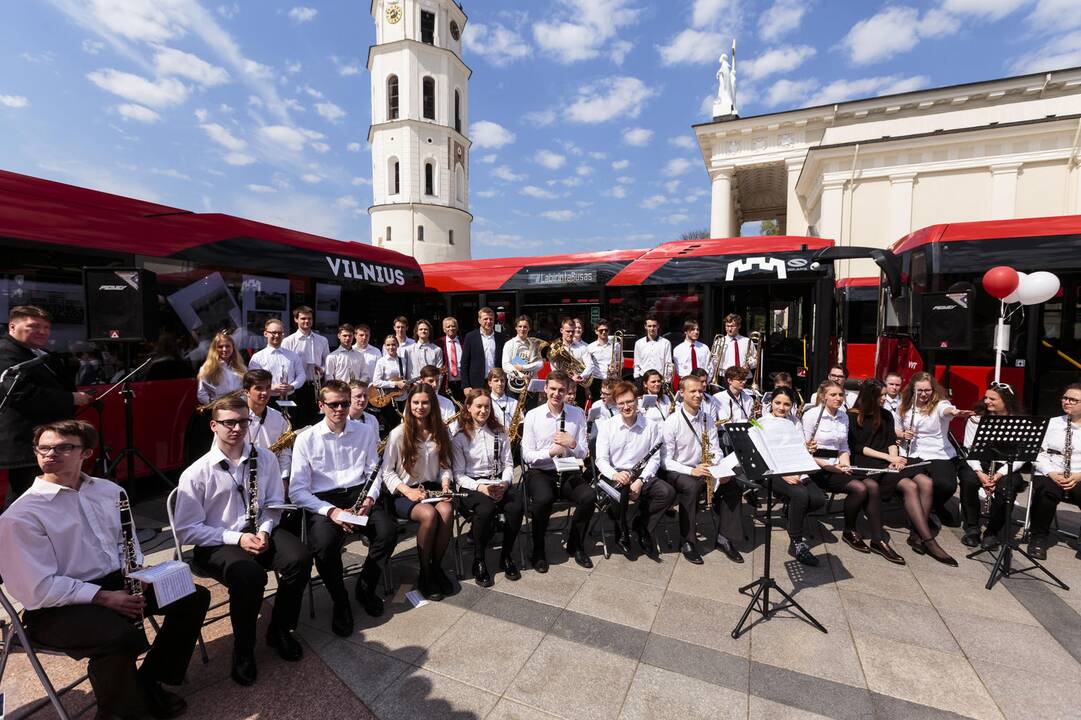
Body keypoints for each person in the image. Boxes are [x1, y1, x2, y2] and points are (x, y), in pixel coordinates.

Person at [0, 419, 210, 719]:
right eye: (43, 448)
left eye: (63, 447)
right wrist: (103, 597)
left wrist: (137, 573)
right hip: (56, 606)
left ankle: (147, 682)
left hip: (116, 583)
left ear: (86, 453)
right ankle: (120, 711)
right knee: (119, 637)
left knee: (192, 597)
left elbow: (128, 542)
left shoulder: (109, 491)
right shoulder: (21, 515)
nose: (50, 454)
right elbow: (38, 589)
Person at [174, 395, 312, 687]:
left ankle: (280, 630)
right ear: (214, 425)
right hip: (217, 542)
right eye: (229, 423)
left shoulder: (266, 458)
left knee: (299, 558)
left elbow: (274, 503)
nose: (237, 428)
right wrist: (237, 538)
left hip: (258, 531)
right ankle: (244, 649)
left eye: (242, 421)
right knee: (248, 576)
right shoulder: (196, 473)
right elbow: (187, 530)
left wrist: (263, 530)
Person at [290, 380, 395, 634]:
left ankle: (365, 587)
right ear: (321, 405)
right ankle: (340, 601)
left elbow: (373, 471)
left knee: (388, 532)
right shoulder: (306, 439)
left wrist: (369, 499)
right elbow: (297, 490)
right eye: (334, 404)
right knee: (324, 546)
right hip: (324, 501)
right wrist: (332, 512)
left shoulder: (365, 431)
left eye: (345, 403)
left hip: (359, 493)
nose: (340, 409)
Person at [1, 305, 93, 507]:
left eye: (46, 327)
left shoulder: (39, 353)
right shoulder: (6, 353)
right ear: (12, 327)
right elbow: (21, 394)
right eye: (34, 326)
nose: (42, 331)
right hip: (27, 440)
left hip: (47, 438)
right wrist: (71, 399)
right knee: (27, 497)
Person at [802, 380, 895, 561]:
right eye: (833, 395)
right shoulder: (812, 415)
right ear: (823, 397)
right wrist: (832, 467)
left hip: (838, 464)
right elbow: (805, 450)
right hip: (818, 467)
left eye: (841, 395)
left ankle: (878, 539)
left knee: (872, 486)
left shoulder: (843, 416)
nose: (838, 398)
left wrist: (845, 464)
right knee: (859, 488)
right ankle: (850, 530)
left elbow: (844, 446)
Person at [383, 383, 456, 600]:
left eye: (425, 402)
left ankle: (436, 567)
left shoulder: (441, 431)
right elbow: (387, 473)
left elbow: (445, 465)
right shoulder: (398, 433)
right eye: (416, 402)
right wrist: (408, 492)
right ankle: (424, 572)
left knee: (446, 510)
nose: (420, 407)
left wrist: (445, 485)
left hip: (432, 488)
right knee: (429, 514)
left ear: (432, 405)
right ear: (409, 404)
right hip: (405, 493)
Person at [663, 374, 744, 564]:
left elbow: (715, 449)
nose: (698, 395)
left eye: (701, 390)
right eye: (693, 391)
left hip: (706, 468)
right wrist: (692, 471)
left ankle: (725, 538)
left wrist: (718, 469)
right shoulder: (672, 422)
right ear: (681, 393)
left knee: (734, 486)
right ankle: (687, 541)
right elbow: (665, 461)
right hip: (680, 470)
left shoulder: (708, 418)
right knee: (691, 488)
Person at [521, 371, 593, 571]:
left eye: (561, 390)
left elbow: (584, 452)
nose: (556, 394)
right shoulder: (533, 416)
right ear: (545, 389)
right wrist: (550, 452)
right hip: (541, 471)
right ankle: (538, 549)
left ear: (567, 391)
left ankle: (575, 544)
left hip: (569, 469)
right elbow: (527, 455)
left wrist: (572, 443)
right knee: (543, 500)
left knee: (589, 496)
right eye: (552, 389)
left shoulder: (577, 414)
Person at [596, 381, 675, 561]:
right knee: (620, 492)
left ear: (637, 401)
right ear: (616, 404)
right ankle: (622, 531)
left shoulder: (651, 426)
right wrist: (615, 474)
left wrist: (641, 481)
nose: (626, 407)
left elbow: (654, 459)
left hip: (641, 474)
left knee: (667, 492)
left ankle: (643, 526)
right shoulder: (607, 426)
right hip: (614, 474)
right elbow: (601, 459)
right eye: (621, 403)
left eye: (630, 401)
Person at [451, 389, 524, 585]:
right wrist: (480, 487)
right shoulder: (460, 437)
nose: (483, 411)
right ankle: (479, 560)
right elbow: (458, 475)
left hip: (497, 481)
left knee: (516, 507)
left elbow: (509, 464)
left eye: (487, 407)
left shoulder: (500, 432)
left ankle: (506, 555)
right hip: (472, 485)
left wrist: (505, 483)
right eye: (479, 406)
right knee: (486, 509)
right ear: (468, 407)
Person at [757, 388, 826, 566]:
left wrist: (808, 448)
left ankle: (793, 512)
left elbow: (799, 447)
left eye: (787, 404)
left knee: (819, 499)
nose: (781, 407)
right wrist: (785, 475)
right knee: (800, 495)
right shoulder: (761, 422)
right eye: (778, 403)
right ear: (771, 402)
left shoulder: (795, 421)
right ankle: (796, 541)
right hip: (773, 471)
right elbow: (762, 454)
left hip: (796, 467)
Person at [897, 371, 973, 528]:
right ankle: (920, 513)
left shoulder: (939, 404)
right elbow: (896, 428)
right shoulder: (904, 406)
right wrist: (903, 434)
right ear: (913, 390)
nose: (924, 394)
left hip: (938, 452)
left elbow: (947, 410)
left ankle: (933, 507)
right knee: (912, 484)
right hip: (911, 452)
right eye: (920, 391)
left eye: (928, 390)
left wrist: (955, 412)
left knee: (947, 485)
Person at [846, 381, 909, 564]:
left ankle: (922, 535)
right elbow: (857, 447)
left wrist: (895, 460)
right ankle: (877, 538)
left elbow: (891, 441)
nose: (884, 398)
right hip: (862, 461)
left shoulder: (887, 415)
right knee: (871, 486)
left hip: (885, 461)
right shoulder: (852, 416)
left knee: (911, 484)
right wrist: (889, 459)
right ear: (869, 397)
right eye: (880, 395)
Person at [958, 384, 1025, 548]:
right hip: (979, 462)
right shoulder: (976, 419)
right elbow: (969, 449)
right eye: (986, 397)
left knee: (1010, 486)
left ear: (1006, 401)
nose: (987, 401)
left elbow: (1021, 456)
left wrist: (999, 475)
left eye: (992, 398)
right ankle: (972, 528)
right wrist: (980, 473)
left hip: (1005, 465)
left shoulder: (1020, 422)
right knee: (969, 480)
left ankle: (992, 532)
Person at [1027, 383, 1081, 560]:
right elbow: (1037, 453)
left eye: (1073, 400)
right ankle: (1038, 538)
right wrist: (1050, 472)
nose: (1067, 402)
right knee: (1046, 492)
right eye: (1065, 398)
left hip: (1078, 474)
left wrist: (1078, 476)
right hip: (1051, 472)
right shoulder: (1051, 423)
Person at [242, 369, 293, 493]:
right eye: (258, 388)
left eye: (268, 387)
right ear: (247, 392)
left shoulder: (279, 418)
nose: (265, 392)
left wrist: (284, 478)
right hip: (241, 478)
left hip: (271, 480)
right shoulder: (233, 417)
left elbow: (285, 454)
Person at [281, 305, 330, 426]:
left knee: (316, 420)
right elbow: (284, 364)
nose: (307, 321)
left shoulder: (322, 340)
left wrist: (322, 369)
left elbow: (327, 361)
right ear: (296, 319)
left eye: (309, 318)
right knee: (297, 421)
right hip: (297, 389)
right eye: (303, 318)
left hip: (316, 387)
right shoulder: (288, 341)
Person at [247, 318, 305, 416]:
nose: (277, 336)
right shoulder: (257, 357)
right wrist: (271, 388)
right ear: (266, 334)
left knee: (291, 428)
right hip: (268, 400)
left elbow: (301, 374)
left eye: (280, 333)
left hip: (290, 399)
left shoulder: (293, 355)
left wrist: (292, 386)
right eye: (273, 333)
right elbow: (253, 381)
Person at [549, 316, 596, 406]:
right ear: (561, 330)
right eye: (568, 331)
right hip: (562, 386)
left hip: (579, 387)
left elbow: (590, 365)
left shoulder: (582, 347)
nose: (570, 334)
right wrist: (569, 378)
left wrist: (580, 376)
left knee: (579, 412)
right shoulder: (554, 348)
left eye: (572, 331)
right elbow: (554, 369)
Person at [460, 307, 507, 391]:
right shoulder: (470, 337)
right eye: (485, 319)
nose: (488, 321)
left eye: (491, 319)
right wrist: (465, 385)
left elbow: (506, 359)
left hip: (496, 382)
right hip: (476, 383)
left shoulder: (501, 337)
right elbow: (464, 363)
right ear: (479, 320)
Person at [196, 329, 246, 404]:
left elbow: (247, 390)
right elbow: (201, 394)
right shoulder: (207, 369)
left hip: (239, 407)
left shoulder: (242, 367)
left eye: (227, 346)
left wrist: (240, 401)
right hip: (220, 410)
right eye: (220, 346)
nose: (224, 349)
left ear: (233, 348)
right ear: (215, 349)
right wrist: (215, 405)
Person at [372, 334, 409, 430]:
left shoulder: (403, 360)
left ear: (397, 345)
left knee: (403, 427)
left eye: (393, 344)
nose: (391, 347)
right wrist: (395, 384)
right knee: (391, 428)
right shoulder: (381, 361)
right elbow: (376, 382)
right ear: (384, 346)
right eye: (388, 345)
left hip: (403, 398)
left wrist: (406, 385)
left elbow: (405, 378)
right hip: (388, 399)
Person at [501, 315, 544, 393]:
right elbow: (506, 365)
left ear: (529, 328)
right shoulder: (509, 344)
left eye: (525, 327)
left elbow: (540, 364)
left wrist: (523, 367)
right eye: (520, 326)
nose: (522, 329)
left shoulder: (534, 344)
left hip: (531, 385)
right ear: (516, 328)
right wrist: (522, 376)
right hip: (514, 387)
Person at [633, 313, 672, 380]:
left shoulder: (666, 343)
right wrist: (637, 377)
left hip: (660, 379)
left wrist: (667, 379)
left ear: (658, 326)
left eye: (654, 326)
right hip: (643, 378)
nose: (652, 328)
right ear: (645, 326)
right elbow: (637, 363)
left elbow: (668, 363)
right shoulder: (639, 343)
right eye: (649, 326)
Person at [586, 318, 617, 401]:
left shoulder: (616, 345)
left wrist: (616, 368)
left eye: (606, 330)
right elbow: (588, 367)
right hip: (597, 381)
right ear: (596, 331)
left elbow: (622, 363)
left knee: (614, 403)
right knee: (597, 405)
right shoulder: (590, 347)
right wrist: (587, 388)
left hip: (612, 379)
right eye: (601, 330)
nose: (604, 332)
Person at [437, 316, 464, 401]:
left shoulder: (464, 341)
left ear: (457, 328)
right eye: (448, 326)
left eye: (453, 326)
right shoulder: (438, 343)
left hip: (462, 382)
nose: (451, 328)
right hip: (446, 383)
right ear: (444, 329)